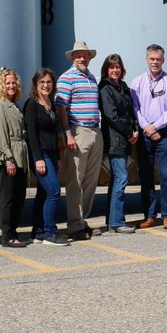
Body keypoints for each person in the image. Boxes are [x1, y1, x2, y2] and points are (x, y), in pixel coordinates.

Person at [129, 43, 167, 229]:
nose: (155, 62)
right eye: (152, 59)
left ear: (163, 60)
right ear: (146, 60)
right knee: (146, 176)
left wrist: (156, 126)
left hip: (164, 133)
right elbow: (134, 108)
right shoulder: (137, 82)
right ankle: (149, 216)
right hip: (145, 134)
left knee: (166, 176)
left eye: (158, 59)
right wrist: (147, 127)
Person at [55, 40, 104, 239]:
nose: (82, 58)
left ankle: (82, 220)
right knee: (75, 180)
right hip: (78, 132)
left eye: (85, 55)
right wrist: (67, 133)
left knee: (91, 180)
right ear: (73, 58)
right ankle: (75, 225)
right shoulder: (66, 78)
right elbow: (61, 108)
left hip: (95, 130)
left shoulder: (91, 77)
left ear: (90, 58)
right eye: (78, 55)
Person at [23, 68, 69, 246]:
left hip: (51, 153)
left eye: (49, 82)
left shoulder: (51, 103)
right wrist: (38, 158)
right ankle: (50, 233)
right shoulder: (32, 104)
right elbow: (32, 134)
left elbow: (54, 133)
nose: (45, 85)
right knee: (54, 191)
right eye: (42, 82)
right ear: (35, 84)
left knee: (43, 193)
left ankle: (38, 232)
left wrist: (57, 157)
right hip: (40, 154)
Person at [99, 54, 139, 234]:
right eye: (112, 67)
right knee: (121, 178)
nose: (115, 70)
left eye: (118, 67)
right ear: (106, 70)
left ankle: (112, 220)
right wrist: (129, 132)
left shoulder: (122, 86)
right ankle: (117, 222)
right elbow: (111, 116)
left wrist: (135, 128)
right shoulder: (105, 88)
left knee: (117, 179)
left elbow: (131, 111)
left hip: (124, 137)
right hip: (115, 139)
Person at [0, 68, 30, 247]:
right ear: (1, 85)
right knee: (8, 198)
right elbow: (0, 134)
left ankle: (14, 232)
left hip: (20, 154)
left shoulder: (14, 105)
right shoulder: (0, 105)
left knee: (19, 196)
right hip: (9, 156)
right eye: (7, 83)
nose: (11, 86)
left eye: (14, 83)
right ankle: (7, 235)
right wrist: (8, 159)